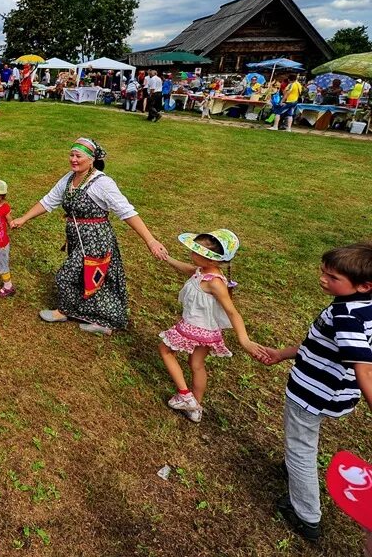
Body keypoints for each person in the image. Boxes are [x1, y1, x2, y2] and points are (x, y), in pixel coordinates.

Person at [258, 242, 372, 543]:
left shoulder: (346, 315)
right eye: (323, 273)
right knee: (302, 442)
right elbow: (321, 345)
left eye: (332, 277)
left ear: (363, 286)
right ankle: (293, 470)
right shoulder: (365, 308)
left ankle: (306, 515)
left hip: (312, 394)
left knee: (300, 449)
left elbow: (365, 369)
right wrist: (283, 353)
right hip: (334, 394)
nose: (323, 280)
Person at [12, 138, 168, 335]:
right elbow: (48, 201)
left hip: (97, 239)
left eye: (78, 156)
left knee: (68, 276)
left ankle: (64, 312)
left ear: (91, 160)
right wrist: (24, 218)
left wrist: (151, 240)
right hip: (78, 238)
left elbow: (126, 212)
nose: (73, 159)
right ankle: (101, 321)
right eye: (71, 155)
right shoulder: (69, 179)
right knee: (89, 278)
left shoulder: (102, 183)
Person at [157, 230, 270, 423]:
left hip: (194, 327)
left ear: (211, 260)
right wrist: (167, 259)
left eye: (195, 252)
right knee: (196, 364)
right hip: (207, 331)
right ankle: (195, 408)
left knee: (165, 350)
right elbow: (188, 269)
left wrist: (245, 341)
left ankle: (185, 395)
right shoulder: (203, 271)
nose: (190, 254)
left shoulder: (215, 283)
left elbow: (233, 312)